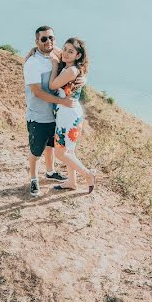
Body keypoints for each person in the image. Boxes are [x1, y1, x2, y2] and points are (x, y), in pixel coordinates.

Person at [24, 25, 74, 196]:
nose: (48, 41)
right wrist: (62, 101)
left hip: (55, 115)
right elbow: (37, 92)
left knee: (51, 146)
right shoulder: (32, 63)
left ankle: (50, 172)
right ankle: (33, 179)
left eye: (51, 37)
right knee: (35, 150)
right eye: (43, 39)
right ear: (37, 41)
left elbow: (67, 53)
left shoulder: (55, 55)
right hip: (38, 116)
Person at [49, 37, 98, 194]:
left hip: (68, 115)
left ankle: (87, 175)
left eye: (71, 51)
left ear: (78, 55)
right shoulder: (73, 67)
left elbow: (52, 85)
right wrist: (58, 52)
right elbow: (55, 48)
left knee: (60, 152)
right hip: (68, 112)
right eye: (65, 49)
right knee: (69, 151)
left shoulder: (71, 70)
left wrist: (55, 63)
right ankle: (72, 181)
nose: (65, 53)